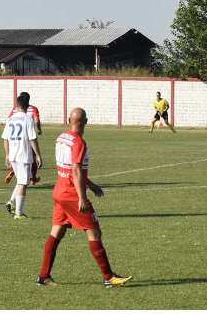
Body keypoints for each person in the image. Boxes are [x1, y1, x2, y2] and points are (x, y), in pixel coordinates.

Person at [36, 108, 132, 287]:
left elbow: (68, 169)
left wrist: (91, 184)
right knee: (94, 232)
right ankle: (108, 277)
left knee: (57, 231)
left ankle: (43, 276)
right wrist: (82, 196)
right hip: (72, 195)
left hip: (59, 192)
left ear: (68, 120)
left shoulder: (61, 138)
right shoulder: (79, 142)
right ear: (86, 122)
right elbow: (76, 169)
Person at [3, 94, 43, 219]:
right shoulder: (28, 119)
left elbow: (5, 138)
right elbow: (32, 138)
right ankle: (18, 214)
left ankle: (11, 202)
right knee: (23, 183)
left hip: (13, 154)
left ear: (17, 105)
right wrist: (38, 155)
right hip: (23, 154)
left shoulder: (10, 119)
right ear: (28, 105)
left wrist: (7, 155)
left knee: (20, 181)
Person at [5, 92, 42, 185]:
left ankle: (13, 169)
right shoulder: (33, 108)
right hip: (27, 137)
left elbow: (9, 120)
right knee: (32, 158)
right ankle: (32, 178)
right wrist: (39, 129)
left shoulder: (15, 109)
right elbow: (36, 120)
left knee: (16, 157)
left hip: (14, 139)